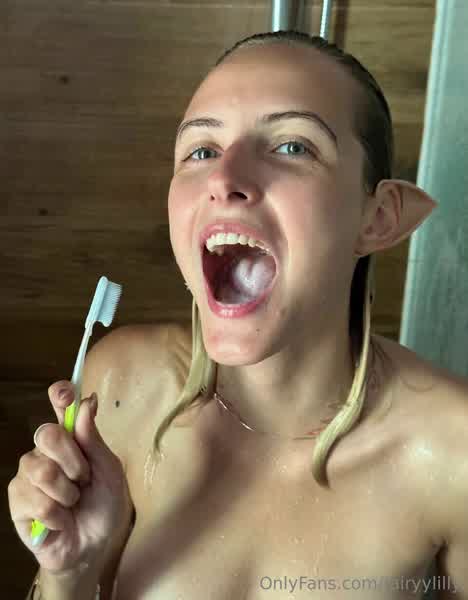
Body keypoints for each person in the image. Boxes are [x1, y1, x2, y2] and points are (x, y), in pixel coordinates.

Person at [9, 30, 468, 599]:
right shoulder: (121, 388)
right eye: (202, 151)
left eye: (292, 146)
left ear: (377, 217)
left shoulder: (454, 450)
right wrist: (69, 572)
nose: (223, 178)